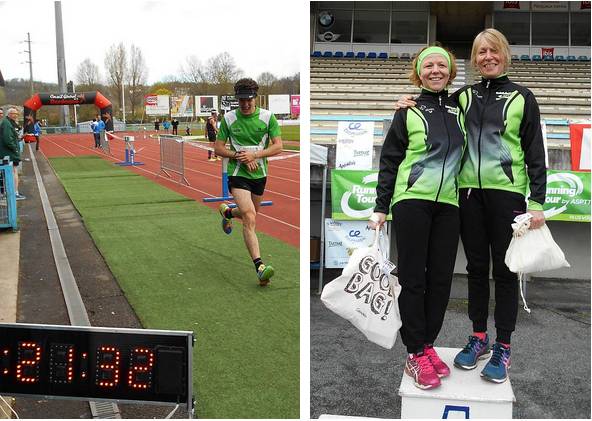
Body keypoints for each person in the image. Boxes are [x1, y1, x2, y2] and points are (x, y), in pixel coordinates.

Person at [395, 29, 546, 384]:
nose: (487, 57)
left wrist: (536, 201)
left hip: (508, 196)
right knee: (476, 268)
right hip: (466, 196)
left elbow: (536, 153)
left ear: (504, 54)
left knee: (506, 270)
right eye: (480, 52)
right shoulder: (461, 97)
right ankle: (479, 337)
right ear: (474, 59)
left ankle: (504, 346)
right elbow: (430, 105)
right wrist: (406, 102)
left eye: (494, 51)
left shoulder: (523, 96)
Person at [368, 46, 465, 390]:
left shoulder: (461, 107)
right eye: (429, 65)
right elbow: (390, 160)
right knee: (413, 280)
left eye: (442, 65)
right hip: (411, 202)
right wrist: (381, 206)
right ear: (419, 72)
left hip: (450, 205)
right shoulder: (407, 110)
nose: (436, 70)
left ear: (451, 72)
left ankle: (426, 345)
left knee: (440, 280)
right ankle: (413, 352)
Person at [214, 78, 283, 286]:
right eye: (241, 101)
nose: (245, 105)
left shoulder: (268, 117)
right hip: (237, 173)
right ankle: (260, 267)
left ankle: (228, 212)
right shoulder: (229, 119)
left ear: (256, 98)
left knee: (249, 215)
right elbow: (218, 148)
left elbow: (278, 146)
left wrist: (255, 155)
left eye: (249, 101)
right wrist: (238, 155)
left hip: (260, 174)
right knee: (250, 216)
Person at [0, 108, 25, 200]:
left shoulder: (7, 122)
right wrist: (15, 149)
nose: (16, 116)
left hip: (8, 152)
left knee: (11, 172)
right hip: (9, 153)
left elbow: (11, 137)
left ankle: (11, 192)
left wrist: (18, 139)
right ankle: (14, 193)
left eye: (17, 114)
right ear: (10, 114)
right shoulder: (6, 123)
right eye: (15, 114)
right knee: (13, 172)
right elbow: (7, 140)